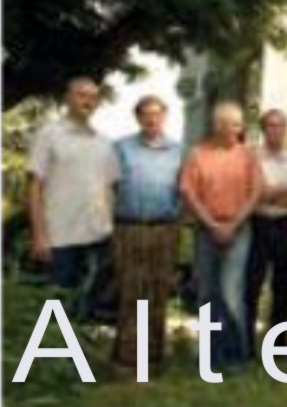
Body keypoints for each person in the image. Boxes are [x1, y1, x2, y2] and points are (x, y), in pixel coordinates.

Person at [27, 77, 119, 321]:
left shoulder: (105, 143)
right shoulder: (49, 134)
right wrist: (39, 234)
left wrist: (112, 229)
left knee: (88, 308)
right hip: (60, 237)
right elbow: (35, 186)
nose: (88, 101)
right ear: (67, 98)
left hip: (98, 237)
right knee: (57, 306)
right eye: (81, 95)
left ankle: (79, 343)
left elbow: (109, 188)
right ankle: (53, 345)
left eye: (93, 97)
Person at [180, 101, 263, 369]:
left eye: (240, 124)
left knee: (230, 291)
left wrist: (233, 225)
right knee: (207, 292)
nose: (238, 129)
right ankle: (210, 355)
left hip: (239, 230)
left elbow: (255, 193)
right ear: (218, 126)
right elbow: (188, 192)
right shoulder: (198, 154)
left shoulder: (248, 155)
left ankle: (236, 355)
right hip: (206, 230)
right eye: (233, 124)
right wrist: (212, 225)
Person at [112, 95, 184, 370]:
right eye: (146, 114)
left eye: (157, 113)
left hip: (165, 228)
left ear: (164, 116)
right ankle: (127, 357)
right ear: (138, 118)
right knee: (131, 290)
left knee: (158, 290)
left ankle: (154, 356)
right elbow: (110, 187)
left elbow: (184, 190)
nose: (152, 119)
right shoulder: (121, 148)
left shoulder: (178, 151)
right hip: (129, 227)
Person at [245, 109, 287, 353]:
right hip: (257, 224)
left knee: (284, 285)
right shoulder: (252, 158)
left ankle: (279, 346)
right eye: (271, 125)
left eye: (280, 126)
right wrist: (277, 193)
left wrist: (269, 193)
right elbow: (252, 194)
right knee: (251, 284)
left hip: (286, 224)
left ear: (286, 130)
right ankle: (246, 344)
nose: (276, 130)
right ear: (263, 129)